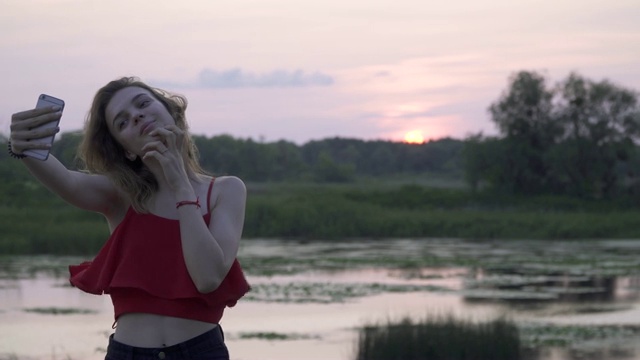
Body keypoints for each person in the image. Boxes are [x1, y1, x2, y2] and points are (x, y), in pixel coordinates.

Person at [8, 77, 251, 360]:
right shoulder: (123, 196)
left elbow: (208, 277)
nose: (136, 116)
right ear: (126, 149)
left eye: (143, 104)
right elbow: (67, 181)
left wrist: (180, 186)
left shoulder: (225, 190)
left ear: (172, 111)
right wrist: (22, 146)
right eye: (122, 122)